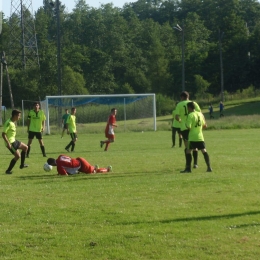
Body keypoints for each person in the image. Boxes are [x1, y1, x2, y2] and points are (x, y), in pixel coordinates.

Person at [180, 102, 212, 173]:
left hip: (192, 137)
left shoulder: (190, 115)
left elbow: (189, 126)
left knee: (188, 151)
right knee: (204, 151)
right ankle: (209, 167)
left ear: (189, 108)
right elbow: (205, 126)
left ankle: (188, 168)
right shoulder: (200, 114)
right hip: (200, 136)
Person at [175, 91, 201, 170]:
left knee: (187, 147)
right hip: (193, 127)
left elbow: (176, 116)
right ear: (188, 96)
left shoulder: (179, 104)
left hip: (185, 128)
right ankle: (195, 163)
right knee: (195, 146)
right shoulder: (194, 103)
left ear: (182, 97)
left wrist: (180, 120)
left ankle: (188, 165)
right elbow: (199, 114)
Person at [2, 109, 28, 174]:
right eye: (19, 116)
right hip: (10, 143)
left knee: (25, 147)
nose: (19, 117)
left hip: (14, 140)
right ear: (14, 116)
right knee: (17, 156)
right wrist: (8, 143)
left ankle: (22, 165)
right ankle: (8, 170)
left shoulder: (13, 122)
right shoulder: (8, 123)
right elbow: (3, 134)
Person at [47, 155, 112, 175]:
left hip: (82, 166)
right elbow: (69, 158)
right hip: (79, 160)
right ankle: (94, 167)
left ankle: (107, 169)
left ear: (52, 164)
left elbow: (65, 175)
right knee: (92, 170)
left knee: (94, 172)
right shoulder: (60, 156)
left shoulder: (59, 166)